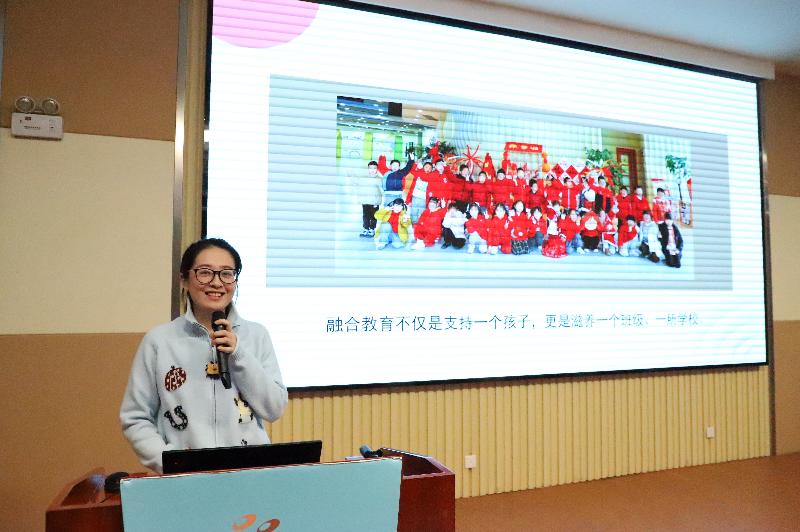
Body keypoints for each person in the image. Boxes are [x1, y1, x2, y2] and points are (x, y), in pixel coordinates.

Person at [120, 238, 288, 473]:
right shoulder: (159, 341)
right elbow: (135, 417)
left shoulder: (256, 335)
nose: (217, 283)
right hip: (186, 478)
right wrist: (170, 462)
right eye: (205, 273)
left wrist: (238, 354)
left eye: (227, 274)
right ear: (184, 279)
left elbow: (274, 408)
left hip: (249, 475)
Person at [358, 161, 383, 237]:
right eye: (370, 168)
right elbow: (361, 189)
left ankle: (372, 229)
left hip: (374, 202)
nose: (372, 170)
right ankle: (366, 229)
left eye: (374, 168)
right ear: (368, 169)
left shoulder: (379, 179)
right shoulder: (364, 178)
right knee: (365, 216)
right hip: (365, 201)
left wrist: (378, 201)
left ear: (377, 169)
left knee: (373, 216)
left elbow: (381, 191)